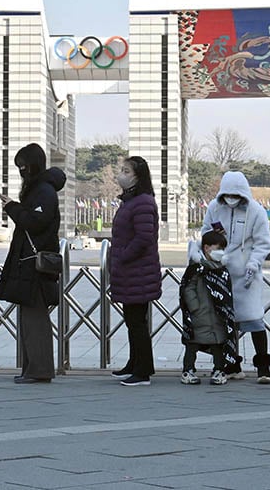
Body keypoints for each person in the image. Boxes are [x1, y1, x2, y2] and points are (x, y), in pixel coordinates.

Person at [0, 143, 66, 384]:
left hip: (36, 264)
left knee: (35, 318)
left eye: (23, 166)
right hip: (30, 262)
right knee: (29, 316)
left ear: (33, 165)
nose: (21, 171)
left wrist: (12, 207)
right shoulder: (40, 189)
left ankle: (39, 369)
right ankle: (32, 368)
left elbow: (35, 222)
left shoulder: (43, 191)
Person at [200, 171, 270, 384]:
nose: (231, 199)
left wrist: (254, 263)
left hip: (247, 274)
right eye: (227, 195)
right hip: (221, 271)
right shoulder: (214, 208)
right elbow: (206, 232)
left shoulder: (256, 211)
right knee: (226, 321)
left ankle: (263, 368)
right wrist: (209, 254)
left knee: (254, 319)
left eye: (235, 195)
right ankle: (232, 365)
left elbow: (262, 242)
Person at [108, 156, 161, 387]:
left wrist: (122, 256)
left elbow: (144, 238)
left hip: (137, 270)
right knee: (133, 319)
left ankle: (142, 372)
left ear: (138, 176)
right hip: (131, 271)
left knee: (137, 320)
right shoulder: (130, 202)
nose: (121, 174)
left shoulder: (142, 203)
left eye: (126, 171)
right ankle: (137, 363)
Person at [179, 230, 238, 386]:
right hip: (199, 314)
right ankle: (188, 370)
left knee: (219, 343)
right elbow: (187, 288)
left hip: (218, 315)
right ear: (206, 248)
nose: (221, 252)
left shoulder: (221, 269)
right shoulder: (196, 268)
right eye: (218, 248)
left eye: (222, 249)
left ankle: (219, 369)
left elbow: (227, 291)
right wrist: (195, 307)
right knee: (192, 344)